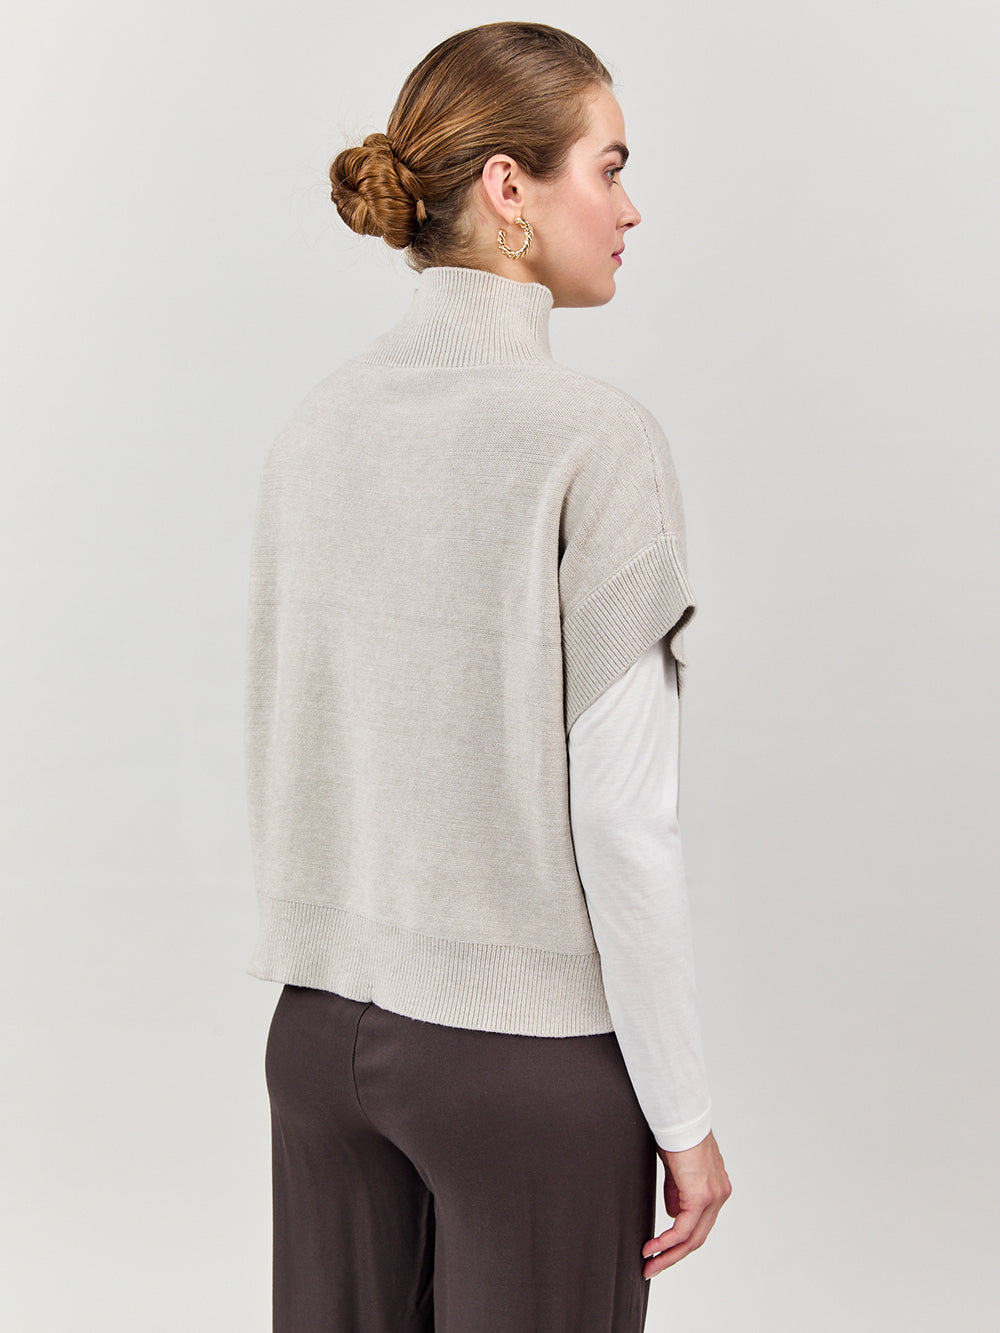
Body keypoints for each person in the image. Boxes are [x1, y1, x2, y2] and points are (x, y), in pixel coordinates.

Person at [244, 20, 731, 1332]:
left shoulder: (316, 427)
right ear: (511, 188)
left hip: (316, 1045)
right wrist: (683, 1114)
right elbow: (626, 821)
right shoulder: (595, 442)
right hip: (521, 1068)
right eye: (608, 167)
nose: (629, 208)